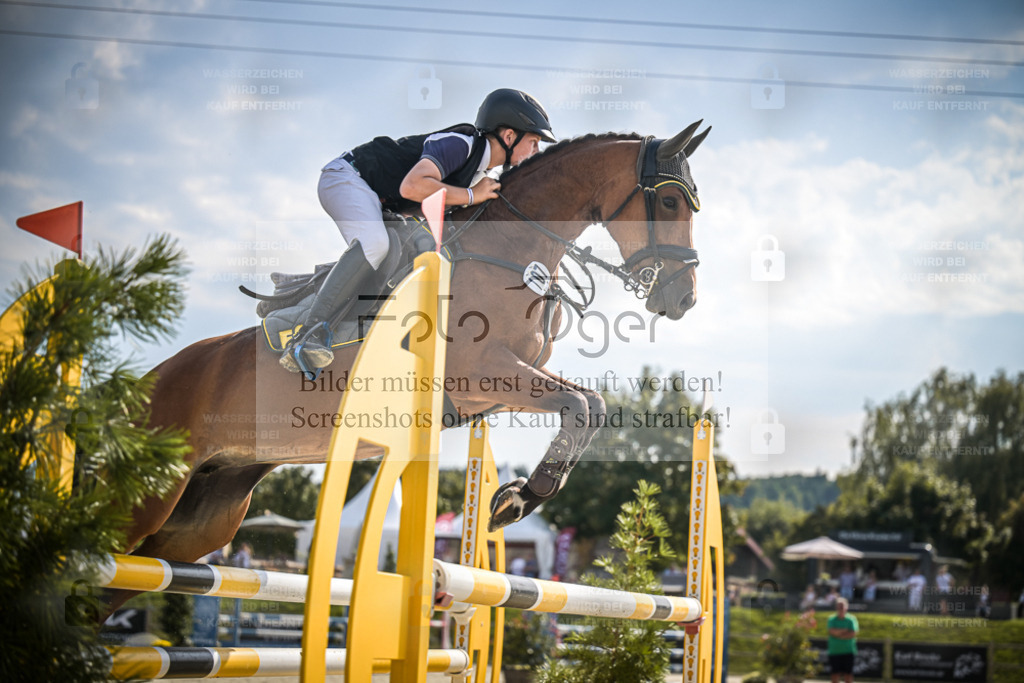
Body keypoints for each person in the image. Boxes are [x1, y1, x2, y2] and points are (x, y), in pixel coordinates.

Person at [281, 88, 556, 373]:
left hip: (380, 200)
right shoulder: (460, 144)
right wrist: (472, 196)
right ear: (509, 137)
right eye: (534, 142)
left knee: (412, 251)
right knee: (376, 244)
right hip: (347, 177)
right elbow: (412, 187)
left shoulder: (479, 173)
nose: (537, 151)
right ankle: (307, 335)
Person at [827, 597, 859, 683]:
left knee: (848, 673)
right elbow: (832, 631)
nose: (840, 608)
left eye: (842, 606)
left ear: (846, 607)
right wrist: (844, 631)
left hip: (848, 651)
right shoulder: (831, 619)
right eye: (839, 606)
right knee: (835, 673)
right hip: (834, 651)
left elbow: (853, 633)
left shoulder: (851, 619)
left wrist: (838, 633)